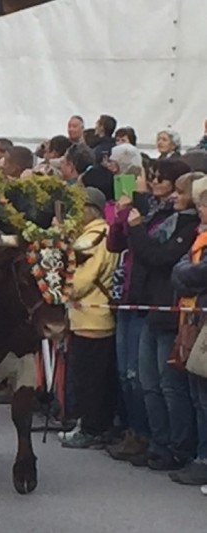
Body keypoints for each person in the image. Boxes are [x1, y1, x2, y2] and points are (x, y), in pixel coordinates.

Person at [124, 160, 198, 470]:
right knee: (147, 383)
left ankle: (177, 447)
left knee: (170, 387)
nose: (172, 197)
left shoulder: (187, 227)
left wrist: (138, 228)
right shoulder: (165, 218)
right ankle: (157, 441)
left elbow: (158, 257)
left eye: (180, 192)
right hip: (151, 306)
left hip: (171, 311)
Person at [60, 187, 120, 449]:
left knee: (90, 377)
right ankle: (90, 424)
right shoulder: (92, 234)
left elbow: (82, 279)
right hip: (86, 315)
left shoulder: (96, 237)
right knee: (91, 375)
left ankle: (92, 427)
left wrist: (59, 289)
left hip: (93, 315)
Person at [170, 174, 207, 487]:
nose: (201, 211)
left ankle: (204, 458)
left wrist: (185, 272)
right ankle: (199, 455)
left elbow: (197, 274)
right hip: (192, 318)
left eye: (204, 205)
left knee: (204, 397)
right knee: (196, 394)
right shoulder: (199, 237)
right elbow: (183, 269)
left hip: (203, 319)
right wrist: (186, 271)